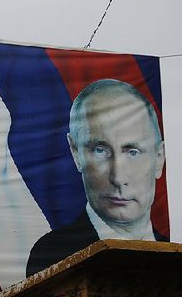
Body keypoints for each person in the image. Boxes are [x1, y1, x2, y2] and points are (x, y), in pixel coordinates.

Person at [26, 79, 166, 276]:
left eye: (132, 152)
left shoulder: (173, 257)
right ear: (75, 153)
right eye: (100, 150)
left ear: (159, 159)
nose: (118, 178)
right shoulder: (52, 256)